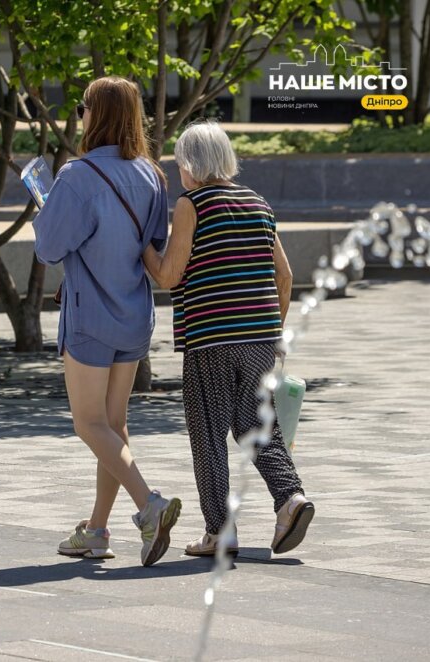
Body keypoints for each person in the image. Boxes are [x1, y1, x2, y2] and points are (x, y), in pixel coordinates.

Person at [142, 120, 314, 557]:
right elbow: (286, 276)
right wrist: (269, 333)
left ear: (188, 164)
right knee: (256, 426)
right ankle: (290, 499)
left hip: (211, 341)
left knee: (208, 433)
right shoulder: (258, 202)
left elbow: (170, 274)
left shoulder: (192, 203)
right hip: (260, 338)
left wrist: (140, 245)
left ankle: (220, 531)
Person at [33, 76, 181, 567]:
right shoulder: (152, 176)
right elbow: (151, 244)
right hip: (135, 315)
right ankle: (97, 530)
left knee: (88, 423)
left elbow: (49, 247)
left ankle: (149, 506)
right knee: (113, 427)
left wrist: (46, 209)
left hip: (91, 316)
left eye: (83, 107)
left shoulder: (77, 176)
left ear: (97, 114)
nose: (80, 116)